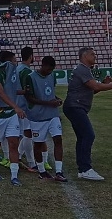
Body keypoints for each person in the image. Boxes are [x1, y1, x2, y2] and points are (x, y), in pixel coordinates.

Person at [63, 47, 112, 181]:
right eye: (92, 54)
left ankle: (83, 168)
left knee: (83, 136)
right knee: (88, 135)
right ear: (84, 56)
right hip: (75, 106)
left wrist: (103, 85)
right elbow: (95, 87)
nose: (95, 56)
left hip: (74, 106)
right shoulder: (82, 69)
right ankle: (85, 168)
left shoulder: (83, 70)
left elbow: (91, 90)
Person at [0, 50, 26, 186]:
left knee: (14, 143)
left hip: (11, 115)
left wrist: (28, 91)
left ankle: (14, 175)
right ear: (8, 61)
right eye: (14, 60)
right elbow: (0, 92)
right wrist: (16, 106)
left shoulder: (12, 72)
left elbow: (12, 89)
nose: (16, 63)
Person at [23, 56, 66, 182]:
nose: (50, 71)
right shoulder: (31, 77)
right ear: (43, 65)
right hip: (37, 117)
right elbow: (29, 98)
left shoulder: (52, 76)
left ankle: (59, 171)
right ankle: (41, 171)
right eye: (49, 69)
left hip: (53, 115)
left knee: (58, 139)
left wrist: (57, 99)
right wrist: (48, 103)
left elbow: (50, 93)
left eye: (52, 69)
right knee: (38, 143)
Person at [14, 46, 37, 173]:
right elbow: (28, 91)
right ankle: (31, 162)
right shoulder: (27, 71)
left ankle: (17, 156)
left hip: (16, 105)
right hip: (25, 106)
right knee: (28, 134)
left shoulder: (17, 69)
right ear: (30, 56)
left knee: (24, 134)